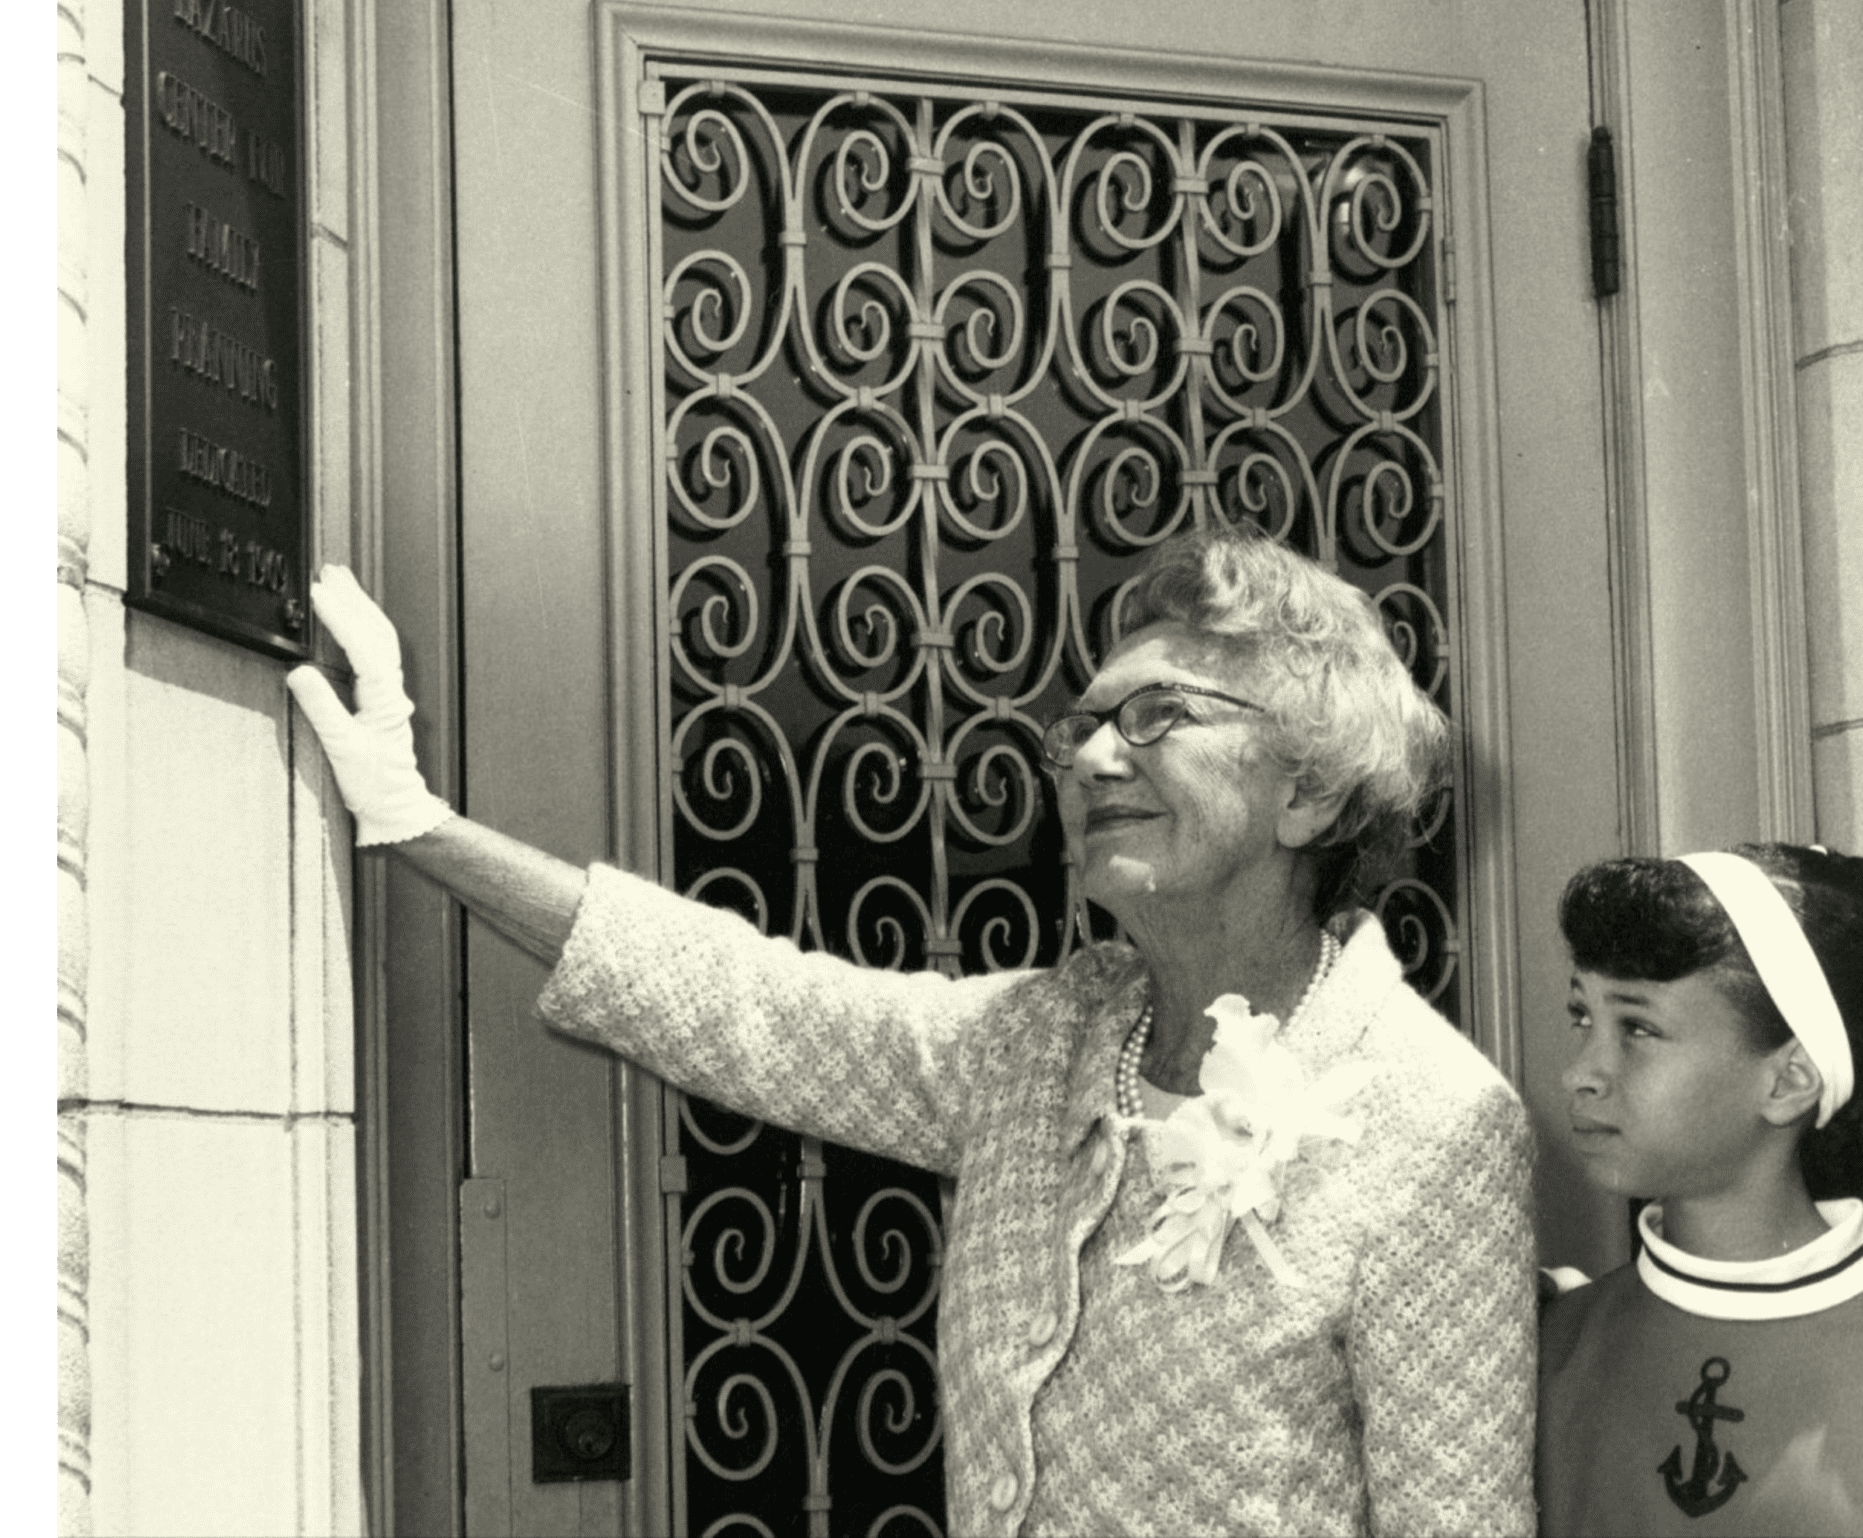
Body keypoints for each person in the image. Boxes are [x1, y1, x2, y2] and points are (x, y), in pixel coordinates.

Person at [287, 526, 1537, 1538]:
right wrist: (416, 823)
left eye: (1158, 717)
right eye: (1082, 726)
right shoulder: (1043, 1043)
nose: (1093, 757)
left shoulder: (1437, 1123)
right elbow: (749, 1005)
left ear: (1310, 794)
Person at [1537, 846, 1863, 1537]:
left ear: (1788, 1081)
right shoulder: (1552, 1346)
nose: (1581, 1073)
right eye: (1582, 1017)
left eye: (1638, 1028)